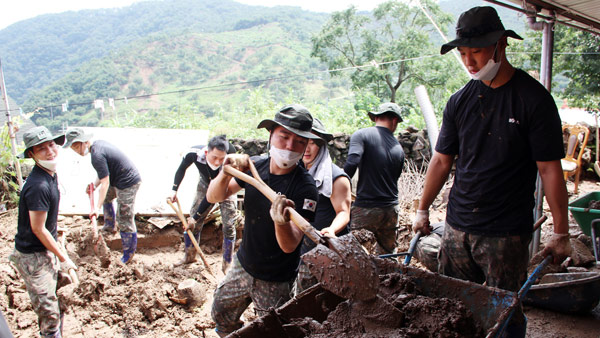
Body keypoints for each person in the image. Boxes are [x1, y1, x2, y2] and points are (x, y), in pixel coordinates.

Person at [412, 7, 572, 337]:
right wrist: (422, 207)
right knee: (451, 307)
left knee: (505, 312)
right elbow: (442, 161)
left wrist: (561, 231)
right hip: (457, 228)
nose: (469, 61)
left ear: (501, 45)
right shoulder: (460, 101)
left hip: (506, 234)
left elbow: (549, 169)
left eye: (477, 52)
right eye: (464, 53)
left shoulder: (533, 100)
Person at [207, 104, 318, 337]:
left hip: (276, 280)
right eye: (284, 137)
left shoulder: (305, 188)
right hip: (243, 265)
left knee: (274, 332)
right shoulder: (255, 167)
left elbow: (289, 246)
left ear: (306, 145)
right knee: (220, 314)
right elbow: (214, 196)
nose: (289, 146)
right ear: (270, 135)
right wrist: (224, 171)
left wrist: (280, 222)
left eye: (299, 141)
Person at [9, 126, 77, 338]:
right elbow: (38, 229)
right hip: (33, 257)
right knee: (48, 311)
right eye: (42, 149)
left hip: (45, 247)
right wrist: (63, 257)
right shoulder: (38, 185)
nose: (50, 151)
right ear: (31, 154)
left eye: (51, 145)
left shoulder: (49, 174)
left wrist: (55, 230)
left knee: (57, 300)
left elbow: (44, 221)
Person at [64, 127, 142, 264]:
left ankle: (128, 255)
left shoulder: (97, 155)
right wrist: (94, 186)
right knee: (106, 197)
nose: (77, 151)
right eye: (73, 148)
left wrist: (97, 207)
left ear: (85, 141)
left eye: (77, 146)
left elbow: (105, 183)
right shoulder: (97, 147)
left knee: (124, 217)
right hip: (117, 179)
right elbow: (103, 174)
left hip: (128, 182)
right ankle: (109, 226)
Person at [295, 118, 351, 294]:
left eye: (313, 143)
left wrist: (332, 230)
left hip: (328, 247)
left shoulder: (336, 178)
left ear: (322, 146)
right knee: (304, 293)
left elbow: (343, 212)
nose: (307, 148)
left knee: (331, 292)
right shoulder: (297, 173)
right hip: (302, 248)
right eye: (304, 142)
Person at [169, 135, 238, 272]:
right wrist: (174, 190)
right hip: (204, 184)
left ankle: (227, 264)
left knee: (229, 226)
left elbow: (211, 197)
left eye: (221, 158)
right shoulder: (193, 154)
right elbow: (182, 168)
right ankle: (189, 256)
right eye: (214, 158)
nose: (218, 162)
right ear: (207, 152)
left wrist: (194, 217)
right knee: (193, 224)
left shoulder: (231, 159)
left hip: (226, 186)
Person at [344, 102, 405, 254]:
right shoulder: (398, 147)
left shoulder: (362, 134)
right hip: (391, 210)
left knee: (353, 253)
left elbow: (352, 162)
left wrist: (339, 184)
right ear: (395, 120)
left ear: (376, 117)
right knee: (387, 254)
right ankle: (388, 277)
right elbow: (396, 176)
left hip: (367, 208)